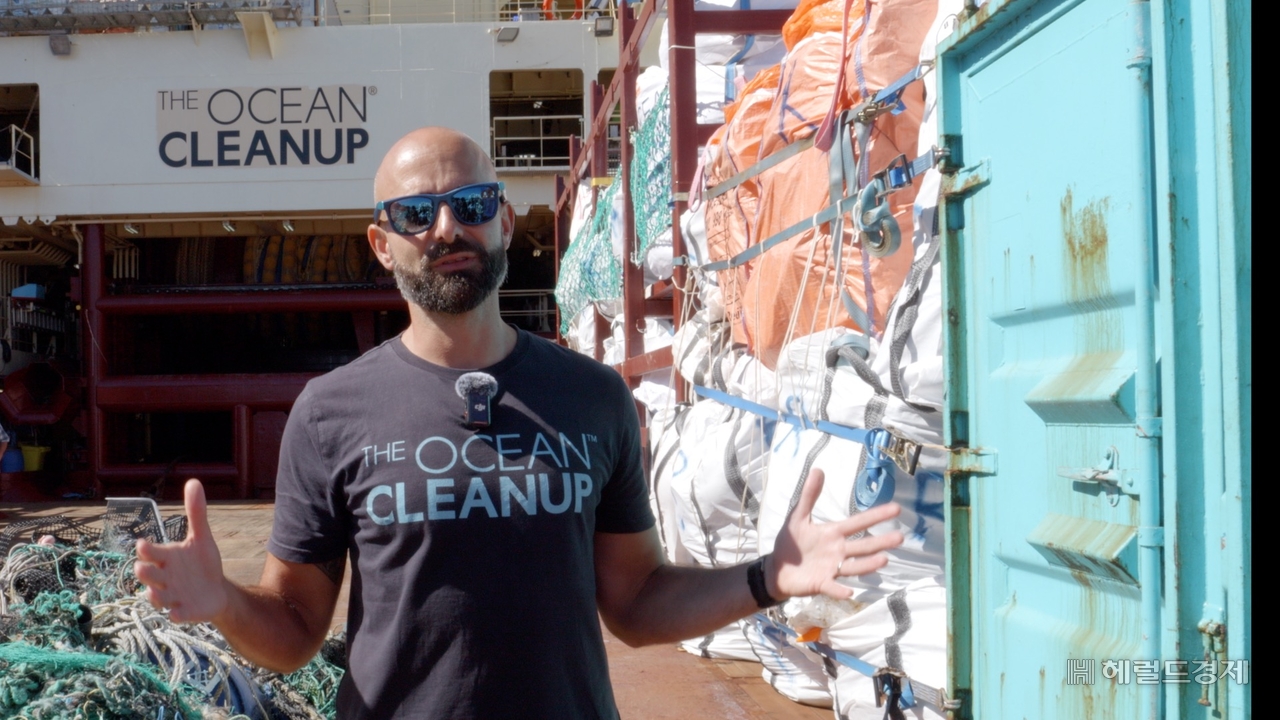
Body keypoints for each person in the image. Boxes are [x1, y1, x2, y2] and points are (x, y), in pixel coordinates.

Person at [134, 127, 904, 719]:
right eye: (415, 214)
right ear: (382, 244)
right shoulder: (330, 411)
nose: (446, 229)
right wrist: (224, 601)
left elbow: (635, 602)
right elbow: (297, 627)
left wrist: (767, 577)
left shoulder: (593, 395)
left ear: (503, 220)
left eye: (470, 205)